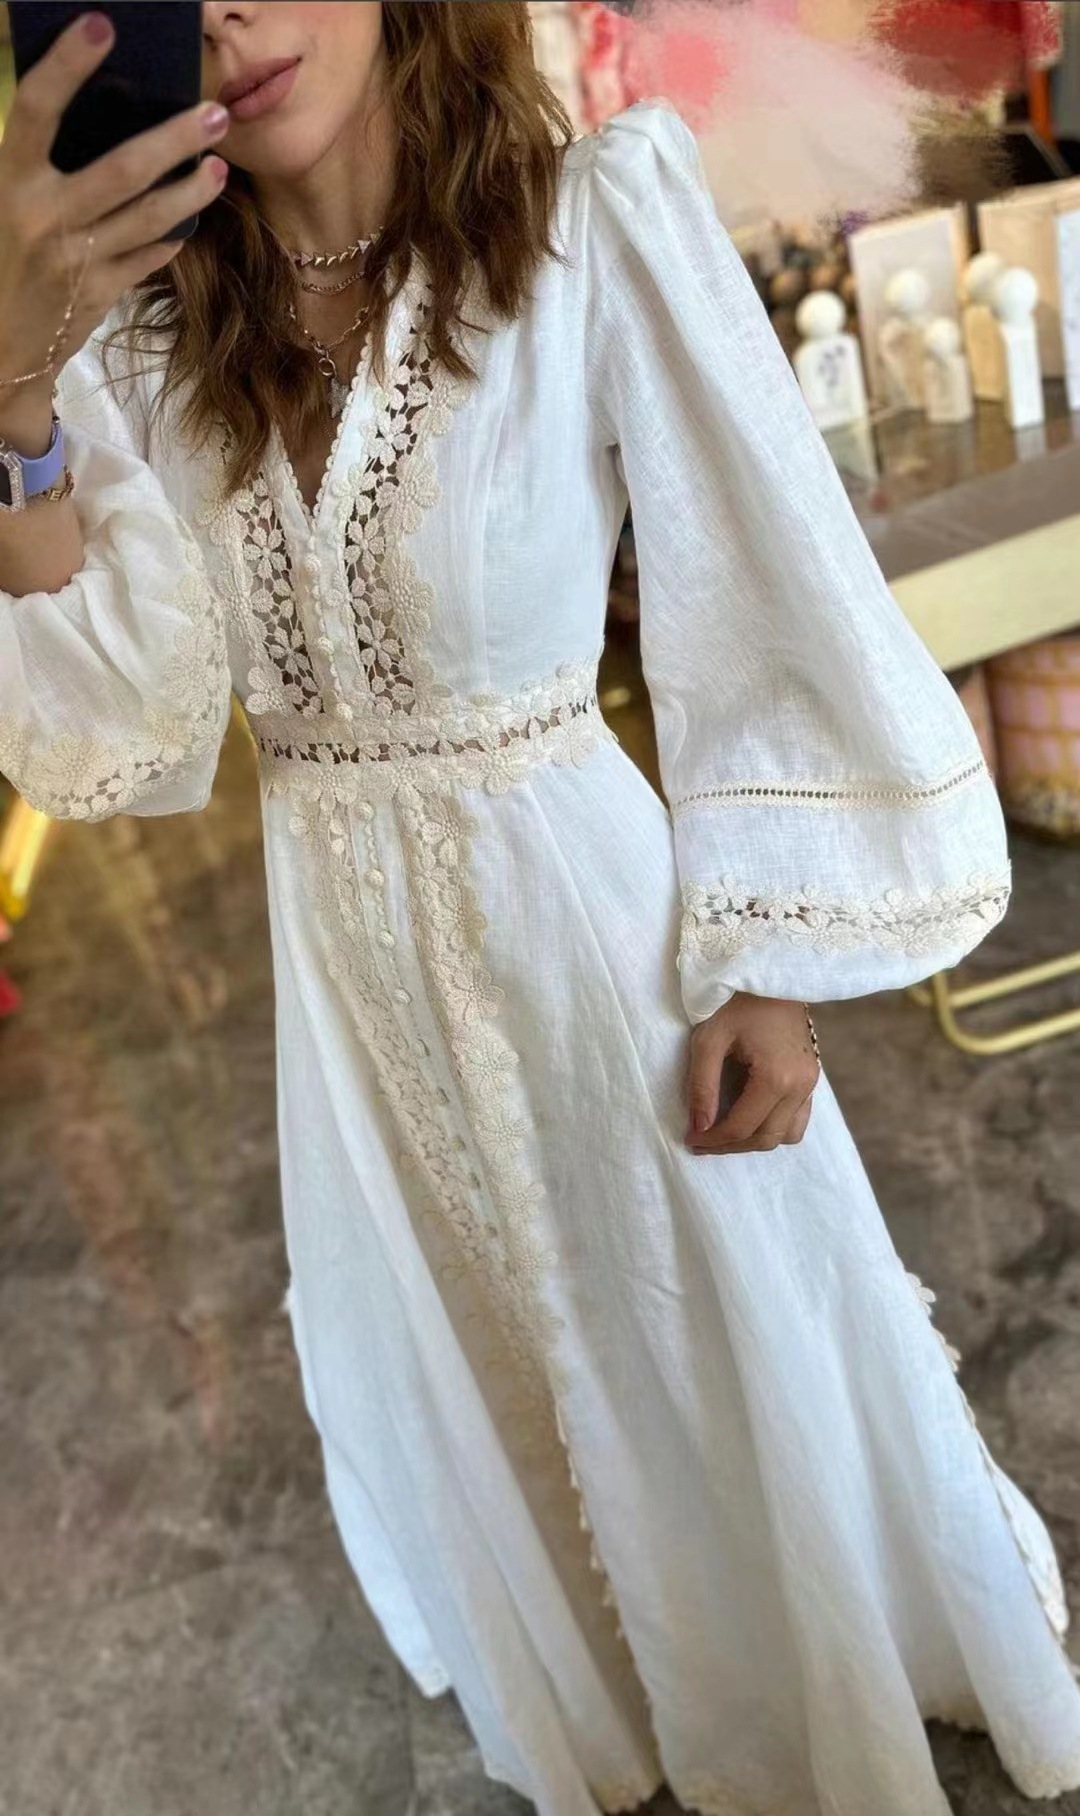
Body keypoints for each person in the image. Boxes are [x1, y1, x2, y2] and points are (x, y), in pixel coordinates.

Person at [1, 7, 1078, 1812]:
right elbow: (119, 722)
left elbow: (759, 573)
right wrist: (16, 400)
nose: (238, 17)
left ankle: (806, 1676)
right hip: (345, 982)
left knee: (697, 1324)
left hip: (593, 933)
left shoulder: (586, 222)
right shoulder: (146, 335)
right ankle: (614, 1688)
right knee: (472, 1355)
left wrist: (771, 965)